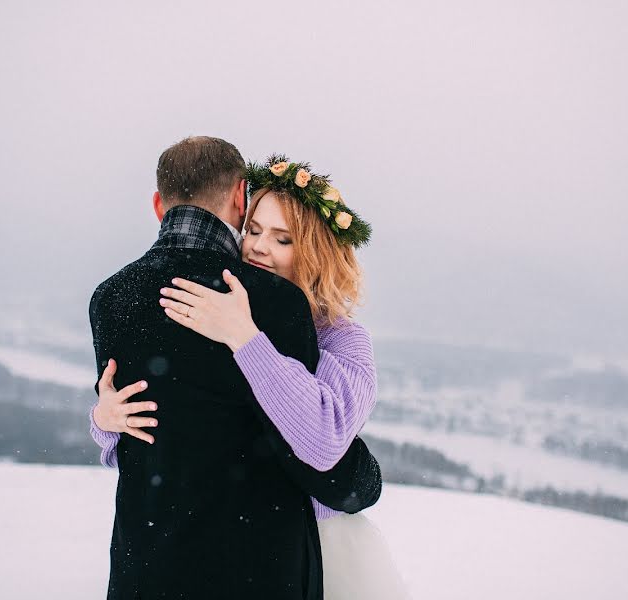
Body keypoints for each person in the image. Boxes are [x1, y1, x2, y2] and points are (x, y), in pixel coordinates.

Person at [92, 154, 409, 599]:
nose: (259, 247)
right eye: (254, 230)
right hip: (239, 544)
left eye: (282, 239)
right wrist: (106, 420)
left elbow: (325, 438)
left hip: (323, 541)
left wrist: (246, 338)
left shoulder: (343, 340)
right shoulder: (224, 305)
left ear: (315, 252)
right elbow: (180, 418)